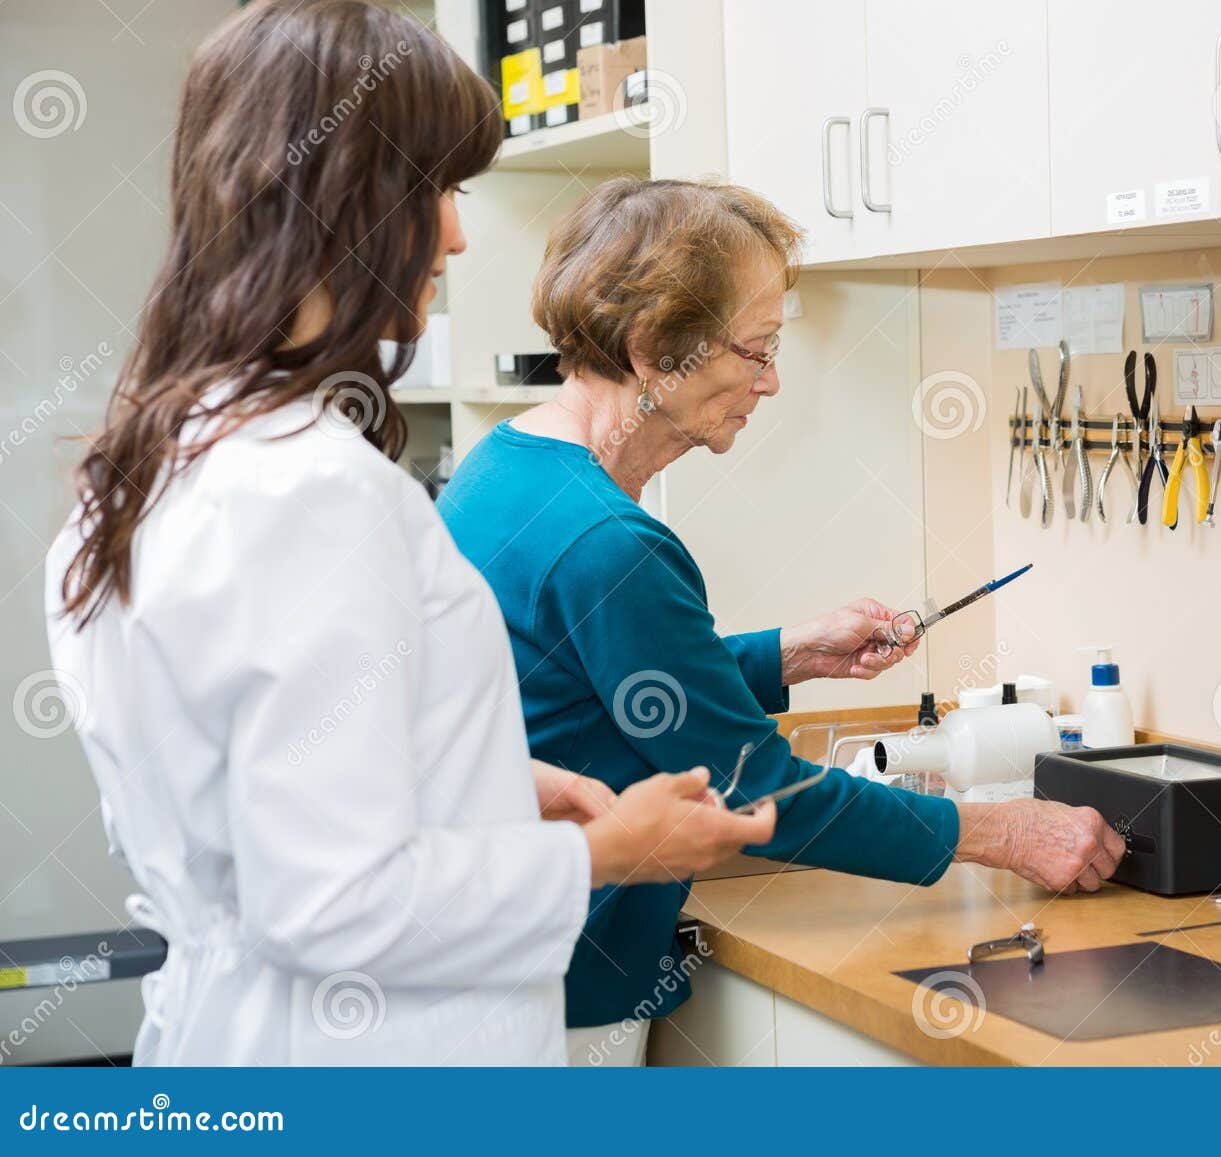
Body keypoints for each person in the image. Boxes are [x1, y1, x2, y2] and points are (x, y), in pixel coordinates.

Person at [43, 0, 772, 1066]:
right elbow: (331, 902)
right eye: (437, 190)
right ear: (347, 201)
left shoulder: (159, 453)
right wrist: (613, 851)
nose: (459, 232)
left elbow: (231, 789)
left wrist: (482, 781)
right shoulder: (310, 494)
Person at [439, 177, 1127, 1066]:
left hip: (493, 958)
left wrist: (788, 654)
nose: (770, 381)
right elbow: (758, 791)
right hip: (564, 985)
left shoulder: (504, 469)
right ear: (657, 351)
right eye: (756, 349)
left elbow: (594, 680)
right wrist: (1008, 832)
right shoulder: (611, 544)